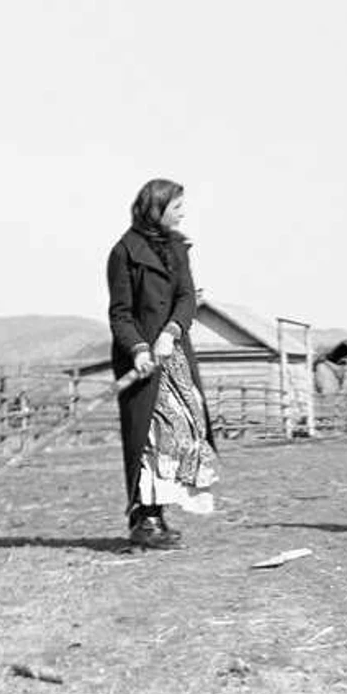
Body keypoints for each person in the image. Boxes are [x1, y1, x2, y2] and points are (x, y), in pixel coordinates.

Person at [107, 179, 219, 550]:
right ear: (156, 208)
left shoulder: (178, 249)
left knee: (187, 426)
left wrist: (171, 331)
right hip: (142, 361)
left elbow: (187, 296)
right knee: (152, 436)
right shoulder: (123, 253)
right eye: (177, 206)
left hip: (174, 355)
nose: (183, 212)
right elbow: (120, 314)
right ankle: (145, 519)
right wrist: (139, 348)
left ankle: (158, 513)